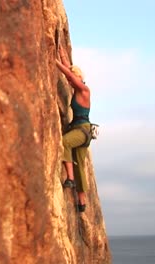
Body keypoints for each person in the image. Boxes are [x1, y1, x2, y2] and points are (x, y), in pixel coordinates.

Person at [55, 43, 92, 213]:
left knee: (65, 142)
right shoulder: (77, 87)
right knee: (79, 164)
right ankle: (82, 201)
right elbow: (70, 69)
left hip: (83, 130)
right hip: (78, 129)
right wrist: (60, 49)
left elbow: (70, 74)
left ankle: (70, 178)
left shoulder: (84, 90)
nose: (69, 82)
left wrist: (55, 63)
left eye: (72, 79)